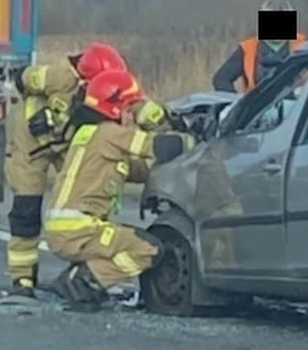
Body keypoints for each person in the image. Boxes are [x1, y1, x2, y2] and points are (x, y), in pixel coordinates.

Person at [42, 68, 198, 311]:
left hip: (67, 229)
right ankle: (85, 280)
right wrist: (194, 137)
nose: (133, 116)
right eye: (131, 109)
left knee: (126, 241)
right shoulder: (109, 133)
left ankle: (83, 277)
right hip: (80, 229)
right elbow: (158, 146)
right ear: (119, 109)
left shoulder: (91, 134)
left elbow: (139, 171)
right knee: (149, 249)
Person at [1, 42, 128, 300]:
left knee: (84, 195)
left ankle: (84, 274)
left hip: (62, 142)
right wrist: (44, 112)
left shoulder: (97, 92)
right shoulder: (59, 76)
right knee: (26, 207)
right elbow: (23, 79)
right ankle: (22, 278)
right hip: (29, 144)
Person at [211, 0, 308, 93]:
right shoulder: (248, 49)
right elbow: (220, 79)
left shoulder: (304, 45)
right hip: (259, 106)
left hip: (296, 106)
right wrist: (239, 104)